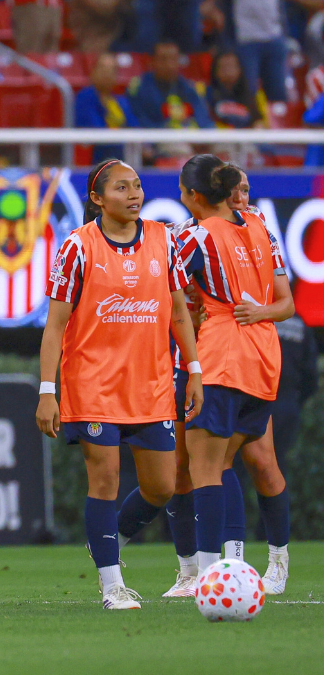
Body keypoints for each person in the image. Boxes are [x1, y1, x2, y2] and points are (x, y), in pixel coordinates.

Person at [38, 158, 202, 610]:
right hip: (92, 385)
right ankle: (112, 585)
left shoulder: (163, 240)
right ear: (97, 198)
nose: (134, 194)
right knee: (104, 478)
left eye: (138, 186)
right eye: (122, 188)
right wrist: (46, 391)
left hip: (150, 385)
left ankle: (108, 540)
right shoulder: (77, 247)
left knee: (162, 487)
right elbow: (55, 327)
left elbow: (179, 311)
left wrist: (195, 370)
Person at [163, 165, 296, 596]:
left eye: (247, 189)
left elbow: (162, 287)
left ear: (194, 193)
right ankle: (239, 565)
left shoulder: (200, 234)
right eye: (238, 188)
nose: (244, 196)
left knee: (206, 468)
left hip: (221, 356)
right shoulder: (256, 227)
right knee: (235, 463)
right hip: (260, 359)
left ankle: (209, 574)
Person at [129, 40, 212, 130]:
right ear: (152, 62)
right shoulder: (139, 89)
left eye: (174, 59)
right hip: (159, 138)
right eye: (163, 59)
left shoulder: (190, 88)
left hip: (192, 137)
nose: (169, 65)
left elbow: (204, 121)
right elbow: (142, 122)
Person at [74, 53, 138, 163]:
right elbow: (98, 131)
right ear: (93, 72)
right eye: (102, 68)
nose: (106, 74)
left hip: (123, 159)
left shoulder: (121, 101)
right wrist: (123, 135)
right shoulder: (85, 97)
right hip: (97, 161)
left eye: (112, 70)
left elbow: (135, 127)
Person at [233, 0, 288, 103]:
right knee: (248, 89)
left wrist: (284, 37)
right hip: (246, 40)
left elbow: (281, 10)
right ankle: (251, 117)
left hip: (274, 38)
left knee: (277, 89)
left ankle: (278, 117)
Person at [206, 50, 263, 129]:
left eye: (231, 66)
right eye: (223, 67)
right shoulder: (208, 93)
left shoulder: (251, 94)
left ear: (239, 69)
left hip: (246, 137)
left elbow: (258, 120)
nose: (228, 71)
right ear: (215, 70)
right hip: (220, 137)